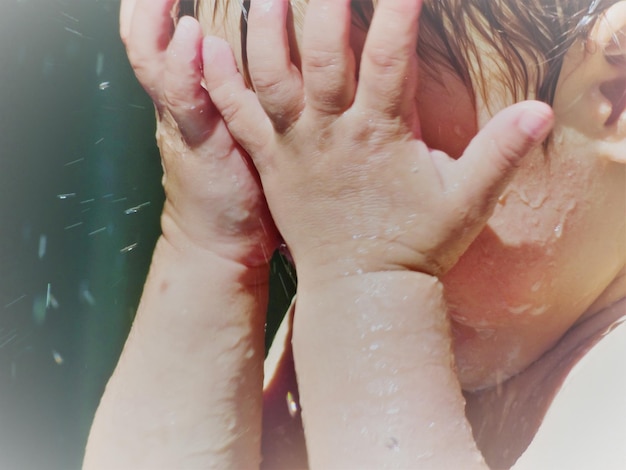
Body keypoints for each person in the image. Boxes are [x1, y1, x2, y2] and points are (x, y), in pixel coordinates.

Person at [83, 0, 626, 468]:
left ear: (618, 90)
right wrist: (207, 248)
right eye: (262, 152)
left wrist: (369, 277)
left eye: (374, 162)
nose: (307, 221)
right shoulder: (363, 285)